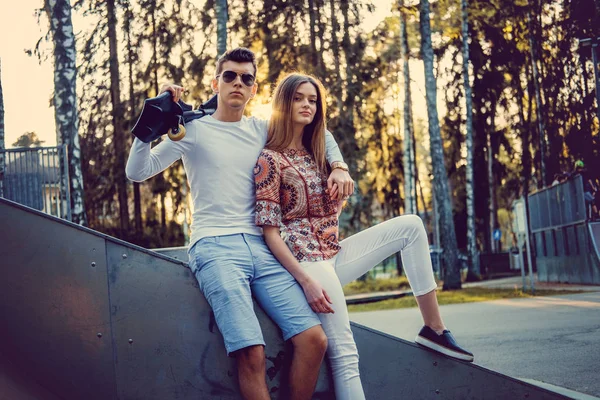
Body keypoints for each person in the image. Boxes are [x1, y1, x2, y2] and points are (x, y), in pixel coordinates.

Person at [126, 48, 354, 400]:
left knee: (313, 340)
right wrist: (148, 129)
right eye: (230, 76)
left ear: (254, 89)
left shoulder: (262, 130)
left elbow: (317, 134)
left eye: (246, 78)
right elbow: (137, 172)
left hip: (264, 249)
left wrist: (339, 166)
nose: (237, 83)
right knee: (252, 352)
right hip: (215, 248)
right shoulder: (192, 130)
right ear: (216, 83)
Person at [254, 73, 474, 400]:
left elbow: (327, 215)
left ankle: (434, 329)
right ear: (284, 103)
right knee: (345, 353)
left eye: (313, 100)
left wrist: (340, 181)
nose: (306, 105)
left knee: (411, 226)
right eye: (299, 98)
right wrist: (304, 280)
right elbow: (270, 233)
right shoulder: (268, 159)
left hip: (332, 253)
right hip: (307, 264)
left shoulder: (318, 156)